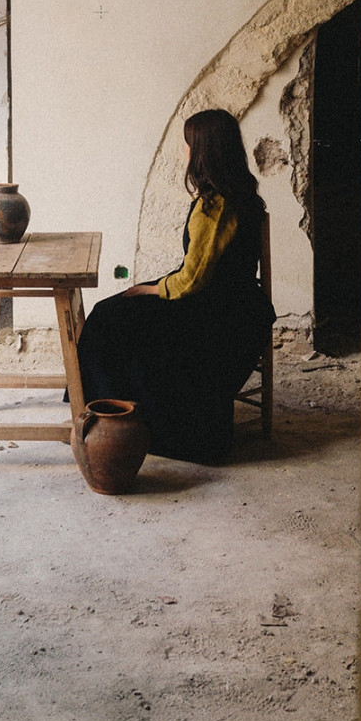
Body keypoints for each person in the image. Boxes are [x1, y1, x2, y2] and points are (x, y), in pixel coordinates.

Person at [77, 108, 275, 465]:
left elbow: (191, 280)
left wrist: (147, 290)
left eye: (187, 145)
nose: (184, 151)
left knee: (110, 317)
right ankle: (117, 412)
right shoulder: (241, 196)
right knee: (119, 311)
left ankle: (112, 417)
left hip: (215, 310)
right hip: (236, 301)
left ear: (202, 152)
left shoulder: (214, 207)